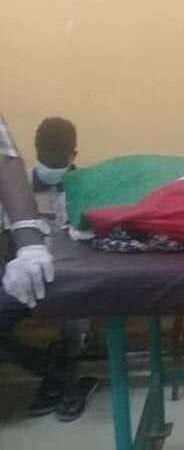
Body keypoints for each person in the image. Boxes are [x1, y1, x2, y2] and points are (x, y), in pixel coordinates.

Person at [0, 115, 97, 422]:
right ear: (35, 151)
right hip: (26, 276)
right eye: (46, 156)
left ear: (73, 155)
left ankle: (62, 367)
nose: (52, 163)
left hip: (74, 277)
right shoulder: (15, 187)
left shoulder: (89, 186)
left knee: (78, 312)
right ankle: (52, 369)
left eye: (58, 157)